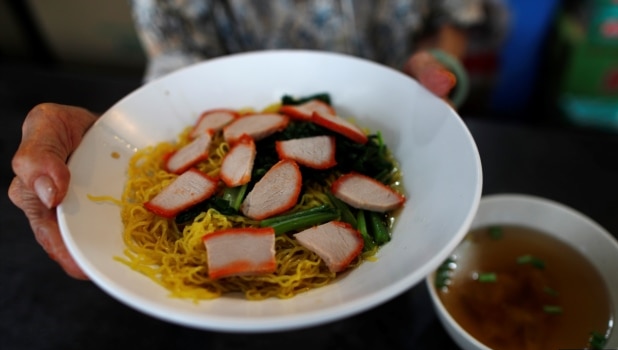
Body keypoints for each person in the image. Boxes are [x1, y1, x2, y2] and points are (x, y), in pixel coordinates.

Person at [9, 0, 486, 280]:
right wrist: (118, 135)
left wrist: (434, 78)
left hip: (398, 157)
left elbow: (456, 16)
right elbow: (180, 68)